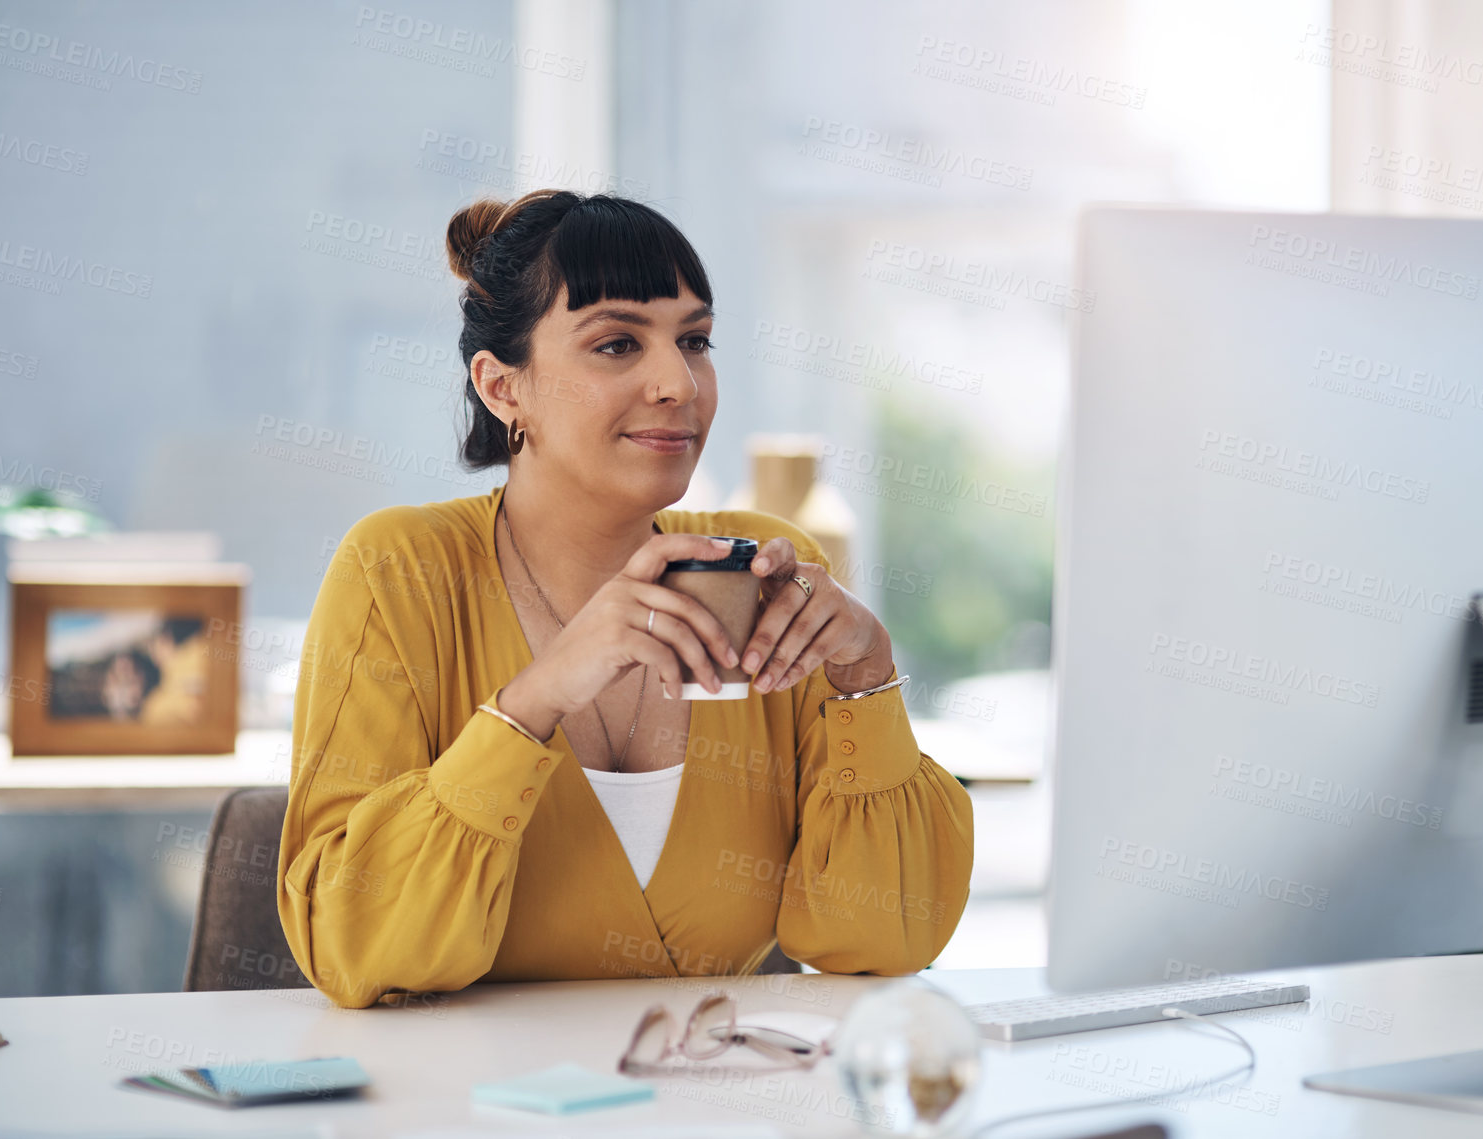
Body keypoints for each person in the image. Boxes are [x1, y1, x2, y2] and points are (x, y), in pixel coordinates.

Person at [277, 190, 975, 1009]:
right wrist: (535, 699)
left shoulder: (762, 573)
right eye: (616, 343)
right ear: (503, 388)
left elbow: (883, 939)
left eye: (695, 341)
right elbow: (354, 947)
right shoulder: (399, 570)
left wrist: (869, 675)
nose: (678, 383)